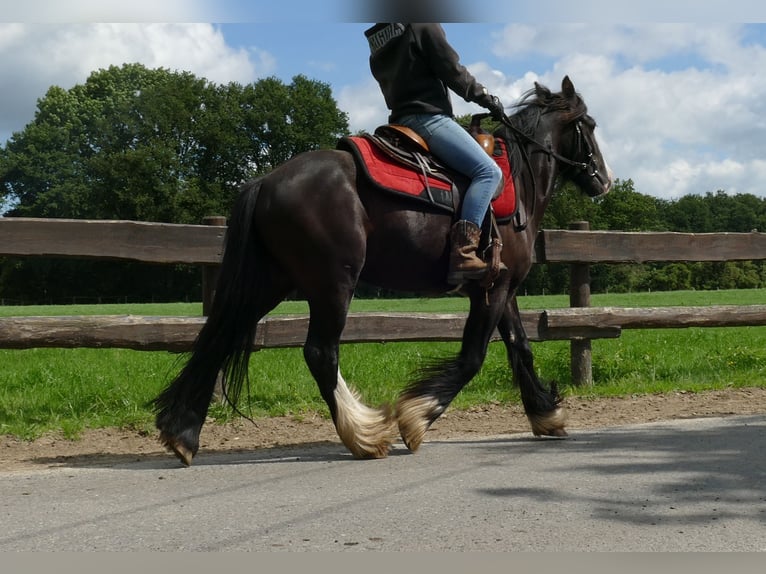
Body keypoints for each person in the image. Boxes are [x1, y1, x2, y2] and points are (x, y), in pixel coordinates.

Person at [365, 22, 506, 285]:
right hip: (428, 118)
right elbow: (451, 68)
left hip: (398, 120)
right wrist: (486, 97)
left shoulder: (380, 34)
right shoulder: (421, 23)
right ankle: (464, 253)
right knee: (488, 172)